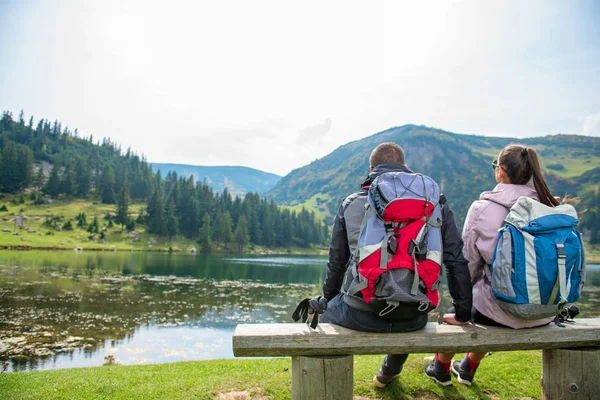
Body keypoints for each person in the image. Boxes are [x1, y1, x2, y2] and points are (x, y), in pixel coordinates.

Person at [319, 142, 473, 388]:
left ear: (371, 168)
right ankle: (388, 372)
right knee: (406, 295)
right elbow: (455, 260)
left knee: (324, 315)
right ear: (404, 168)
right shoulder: (435, 204)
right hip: (415, 316)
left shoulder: (352, 202)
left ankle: (332, 386)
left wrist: (329, 298)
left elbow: (336, 263)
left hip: (361, 313)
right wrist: (463, 312)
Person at [424, 144, 561, 386]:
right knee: (486, 302)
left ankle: (440, 368)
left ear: (501, 171)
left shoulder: (483, 209)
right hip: (544, 311)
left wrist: (460, 308)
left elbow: (467, 265)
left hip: (500, 312)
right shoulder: (549, 207)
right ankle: (467, 368)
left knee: (469, 308)